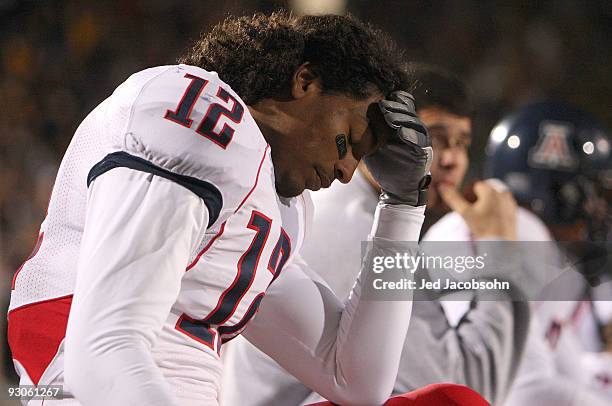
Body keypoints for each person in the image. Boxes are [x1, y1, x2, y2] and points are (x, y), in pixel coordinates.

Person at [7, 13, 434, 406]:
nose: (346, 171)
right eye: (349, 138)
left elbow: (356, 380)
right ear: (305, 82)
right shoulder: (200, 113)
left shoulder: (273, 198)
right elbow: (102, 351)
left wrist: (402, 207)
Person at [221, 64, 530, 405]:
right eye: (437, 139)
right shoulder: (354, 227)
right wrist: (501, 252)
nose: (454, 159)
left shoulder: (349, 205)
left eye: (462, 143)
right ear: (388, 136)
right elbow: (468, 385)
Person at [486, 102, 612, 406]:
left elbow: (569, 375)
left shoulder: (543, 250)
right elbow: (526, 394)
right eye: (593, 192)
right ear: (557, 192)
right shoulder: (521, 240)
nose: (600, 208)